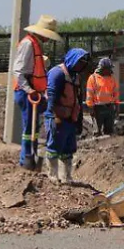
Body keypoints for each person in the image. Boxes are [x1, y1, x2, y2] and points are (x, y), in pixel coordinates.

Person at [12, 15, 62, 170]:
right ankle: (25, 159)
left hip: (34, 93)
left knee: (33, 129)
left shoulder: (36, 45)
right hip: (26, 92)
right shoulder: (28, 44)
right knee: (28, 129)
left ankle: (31, 156)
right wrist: (30, 90)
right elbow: (18, 71)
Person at [43, 48, 90, 184]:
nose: (80, 65)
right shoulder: (57, 73)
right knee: (54, 146)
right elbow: (51, 95)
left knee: (68, 149)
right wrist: (54, 116)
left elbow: (78, 98)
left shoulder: (75, 77)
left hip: (70, 117)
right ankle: (52, 175)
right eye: (79, 62)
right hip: (57, 117)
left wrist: (79, 121)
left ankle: (67, 177)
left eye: (83, 63)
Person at [86, 57, 120, 136]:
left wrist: (117, 106)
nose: (110, 70)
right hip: (97, 108)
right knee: (97, 131)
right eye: (109, 68)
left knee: (109, 131)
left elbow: (115, 93)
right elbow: (89, 94)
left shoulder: (112, 78)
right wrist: (91, 108)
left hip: (109, 107)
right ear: (103, 68)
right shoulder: (93, 78)